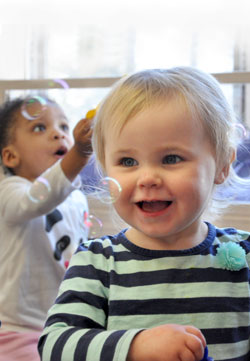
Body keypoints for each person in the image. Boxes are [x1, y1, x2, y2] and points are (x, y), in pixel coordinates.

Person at [38, 67, 250, 361]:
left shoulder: (245, 254)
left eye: (171, 158)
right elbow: (55, 345)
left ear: (223, 165)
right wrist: (136, 347)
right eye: (127, 161)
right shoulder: (97, 260)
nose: (147, 177)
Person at [0, 95, 92, 361]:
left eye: (64, 127)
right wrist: (79, 153)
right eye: (40, 127)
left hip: (67, 328)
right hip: (20, 331)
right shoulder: (10, 191)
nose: (58, 134)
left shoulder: (76, 197)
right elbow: (36, 200)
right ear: (10, 156)